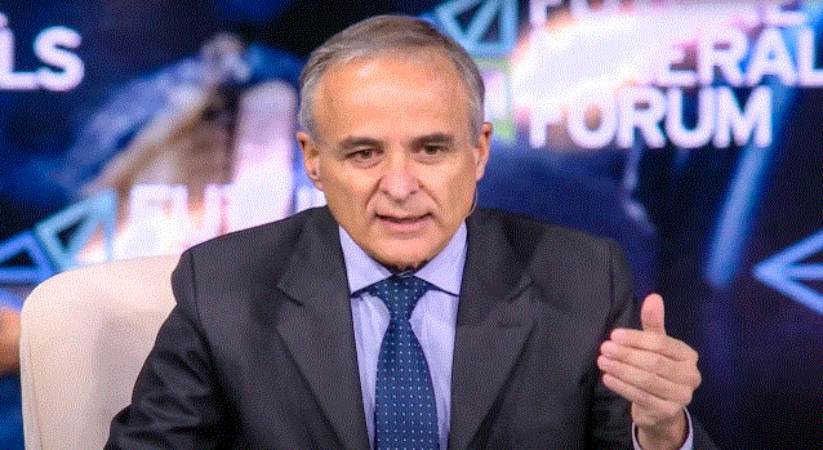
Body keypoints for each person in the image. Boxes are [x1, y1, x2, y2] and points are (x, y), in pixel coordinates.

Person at [107, 15, 715, 449]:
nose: (399, 187)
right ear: (313, 161)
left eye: (431, 149)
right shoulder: (224, 286)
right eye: (364, 153)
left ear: (479, 152)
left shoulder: (580, 278)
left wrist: (663, 435)